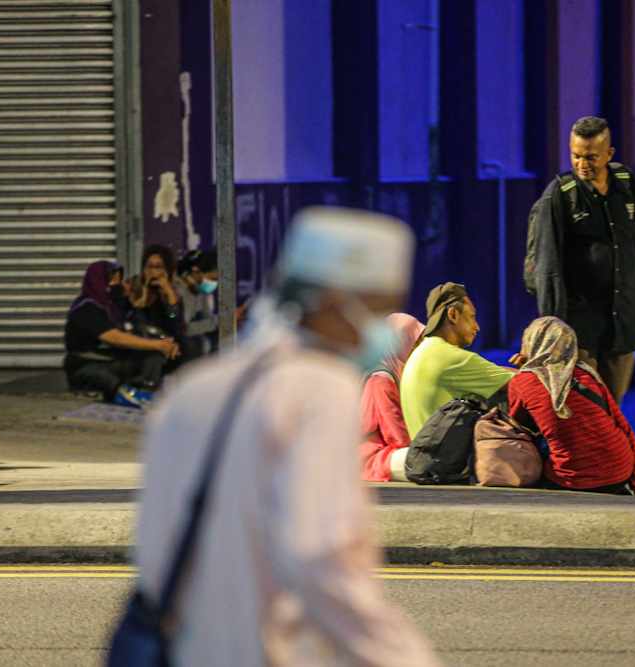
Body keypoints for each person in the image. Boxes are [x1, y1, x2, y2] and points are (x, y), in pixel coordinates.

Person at [135, 208, 440, 666]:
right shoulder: (319, 391)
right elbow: (322, 560)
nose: (385, 328)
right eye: (380, 307)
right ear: (337, 300)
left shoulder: (193, 388)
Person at [528, 115, 635, 403]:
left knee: (613, 407)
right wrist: (551, 329)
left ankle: (612, 450)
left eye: (591, 157)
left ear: (609, 154)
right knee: (585, 409)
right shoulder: (559, 196)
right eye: (576, 156)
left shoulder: (627, 185)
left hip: (622, 323)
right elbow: (547, 268)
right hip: (580, 329)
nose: (582, 164)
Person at [508, 316, 635, 495]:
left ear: (530, 344)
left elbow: (519, 426)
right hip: (620, 472)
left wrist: (524, 369)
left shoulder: (522, 382)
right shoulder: (588, 375)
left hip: (573, 479)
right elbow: (624, 428)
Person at [400, 282, 515, 439]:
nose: (477, 327)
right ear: (453, 314)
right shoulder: (450, 357)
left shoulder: (423, 351)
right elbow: (523, 384)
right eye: (472, 317)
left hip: (426, 458)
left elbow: (493, 373)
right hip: (452, 462)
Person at [63, 260, 180, 408]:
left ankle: (146, 390)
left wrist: (169, 295)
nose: (119, 284)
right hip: (90, 364)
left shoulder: (164, 299)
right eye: (114, 280)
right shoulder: (89, 307)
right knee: (106, 378)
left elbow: (174, 320)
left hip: (117, 359)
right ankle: (129, 394)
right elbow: (114, 336)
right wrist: (157, 342)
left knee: (167, 354)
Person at [359, 313, 425, 482]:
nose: (420, 349)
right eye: (415, 341)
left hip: (387, 453)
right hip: (373, 459)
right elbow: (396, 435)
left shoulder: (397, 374)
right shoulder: (381, 379)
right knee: (431, 462)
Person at [129, 244, 184, 345]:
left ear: (167, 270)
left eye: (158, 267)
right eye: (149, 266)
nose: (152, 271)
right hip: (142, 344)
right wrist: (144, 296)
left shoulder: (174, 290)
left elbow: (174, 322)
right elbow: (135, 324)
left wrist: (169, 293)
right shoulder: (133, 286)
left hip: (167, 343)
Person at [175, 248, 219, 359]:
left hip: (187, 338)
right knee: (200, 344)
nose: (214, 283)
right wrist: (220, 321)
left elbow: (208, 319)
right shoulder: (178, 290)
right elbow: (184, 330)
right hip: (174, 341)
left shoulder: (200, 290)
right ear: (196, 272)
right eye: (212, 278)